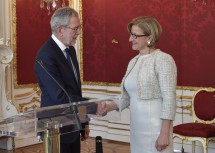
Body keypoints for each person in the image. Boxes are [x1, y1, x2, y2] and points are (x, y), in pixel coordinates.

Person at [97, 16, 177, 153]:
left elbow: (169, 99)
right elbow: (127, 97)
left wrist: (164, 133)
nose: (130, 39)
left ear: (149, 37)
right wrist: (108, 107)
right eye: (130, 35)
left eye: (135, 35)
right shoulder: (133, 61)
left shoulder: (164, 59)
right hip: (137, 129)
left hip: (156, 129)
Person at [34, 7, 89, 153]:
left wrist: (83, 121)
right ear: (60, 30)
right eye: (75, 28)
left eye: (79, 28)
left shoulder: (70, 50)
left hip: (73, 124)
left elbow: (76, 88)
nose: (79, 32)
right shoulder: (45, 55)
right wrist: (91, 107)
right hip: (55, 126)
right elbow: (59, 96)